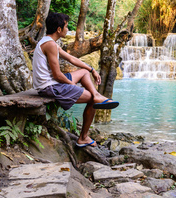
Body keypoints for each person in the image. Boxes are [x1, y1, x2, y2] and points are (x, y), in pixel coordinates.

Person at [32, 12, 118, 147]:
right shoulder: (50, 45)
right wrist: (73, 86)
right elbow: (57, 75)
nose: (67, 29)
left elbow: (71, 59)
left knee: (84, 73)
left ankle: (96, 95)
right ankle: (83, 137)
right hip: (49, 87)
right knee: (91, 99)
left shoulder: (49, 41)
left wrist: (92, 70)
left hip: (51, 83)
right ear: (59, 29)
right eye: (66, 26)